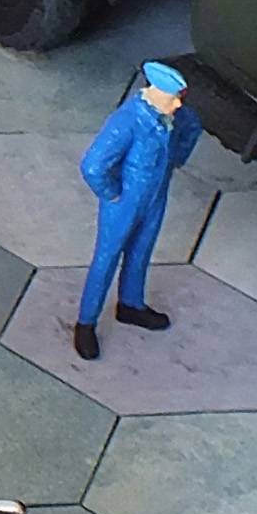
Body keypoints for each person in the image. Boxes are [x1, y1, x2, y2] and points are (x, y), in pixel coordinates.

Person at [74, 61, 201, 360]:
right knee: (106, 259)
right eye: (173, 98)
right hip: (124, 201)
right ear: (156, 93)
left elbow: (193, 127)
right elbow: (93, 165)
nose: (178, 104)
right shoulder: (128, 120)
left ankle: (131, 304)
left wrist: (175, 160)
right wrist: (112, 193)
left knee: (141, 251)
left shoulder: (174, 115)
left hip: (155, 196)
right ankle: (86, 322)